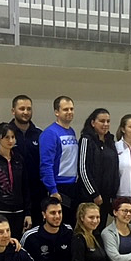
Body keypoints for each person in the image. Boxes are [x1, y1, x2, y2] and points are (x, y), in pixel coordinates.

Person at [0, 124, 32, 240]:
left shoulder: (19, 159)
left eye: (13, 137)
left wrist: (28, 213)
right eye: (7, 137)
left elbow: (25, 187)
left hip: (18, 211)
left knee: (15, 243)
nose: (10, 141)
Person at [77, 108, 119, 232]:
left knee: (100, 229)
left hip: (106, 196)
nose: (105, 124)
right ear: (93, 122)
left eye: (108, 121)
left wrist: (113, 194)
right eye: (102, 121)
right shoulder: (86, 140)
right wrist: (94, 193)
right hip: (90, 196)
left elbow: (115, 168)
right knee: (87, 229)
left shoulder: (110, 142)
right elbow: (83, 169)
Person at [40, 95, 79, 226]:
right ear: (57, 112)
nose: (69, 112)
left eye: (71, 109)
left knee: (71, 225)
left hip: (72, 185)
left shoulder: (71, 131)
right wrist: (53, 190)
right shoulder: (50, 133)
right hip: (58, 186)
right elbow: (46, 164)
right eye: (65, 109)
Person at [8, 94, 46, 226]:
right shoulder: (6, 134)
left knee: (36, 230)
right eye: (22, 108)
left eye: (29, 109)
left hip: (36, 192)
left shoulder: (40, 134)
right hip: (13, 192)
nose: (26, 112)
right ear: (13, 111)